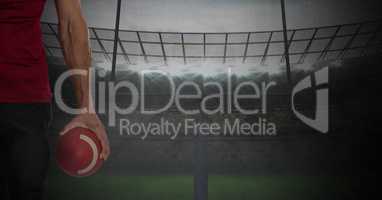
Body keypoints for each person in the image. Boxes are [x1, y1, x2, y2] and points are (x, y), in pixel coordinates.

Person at [0, 0, 110, 199]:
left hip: (25, 97)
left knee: (28, 189)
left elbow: (70, 24)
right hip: (26, 95)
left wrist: (86, 107)